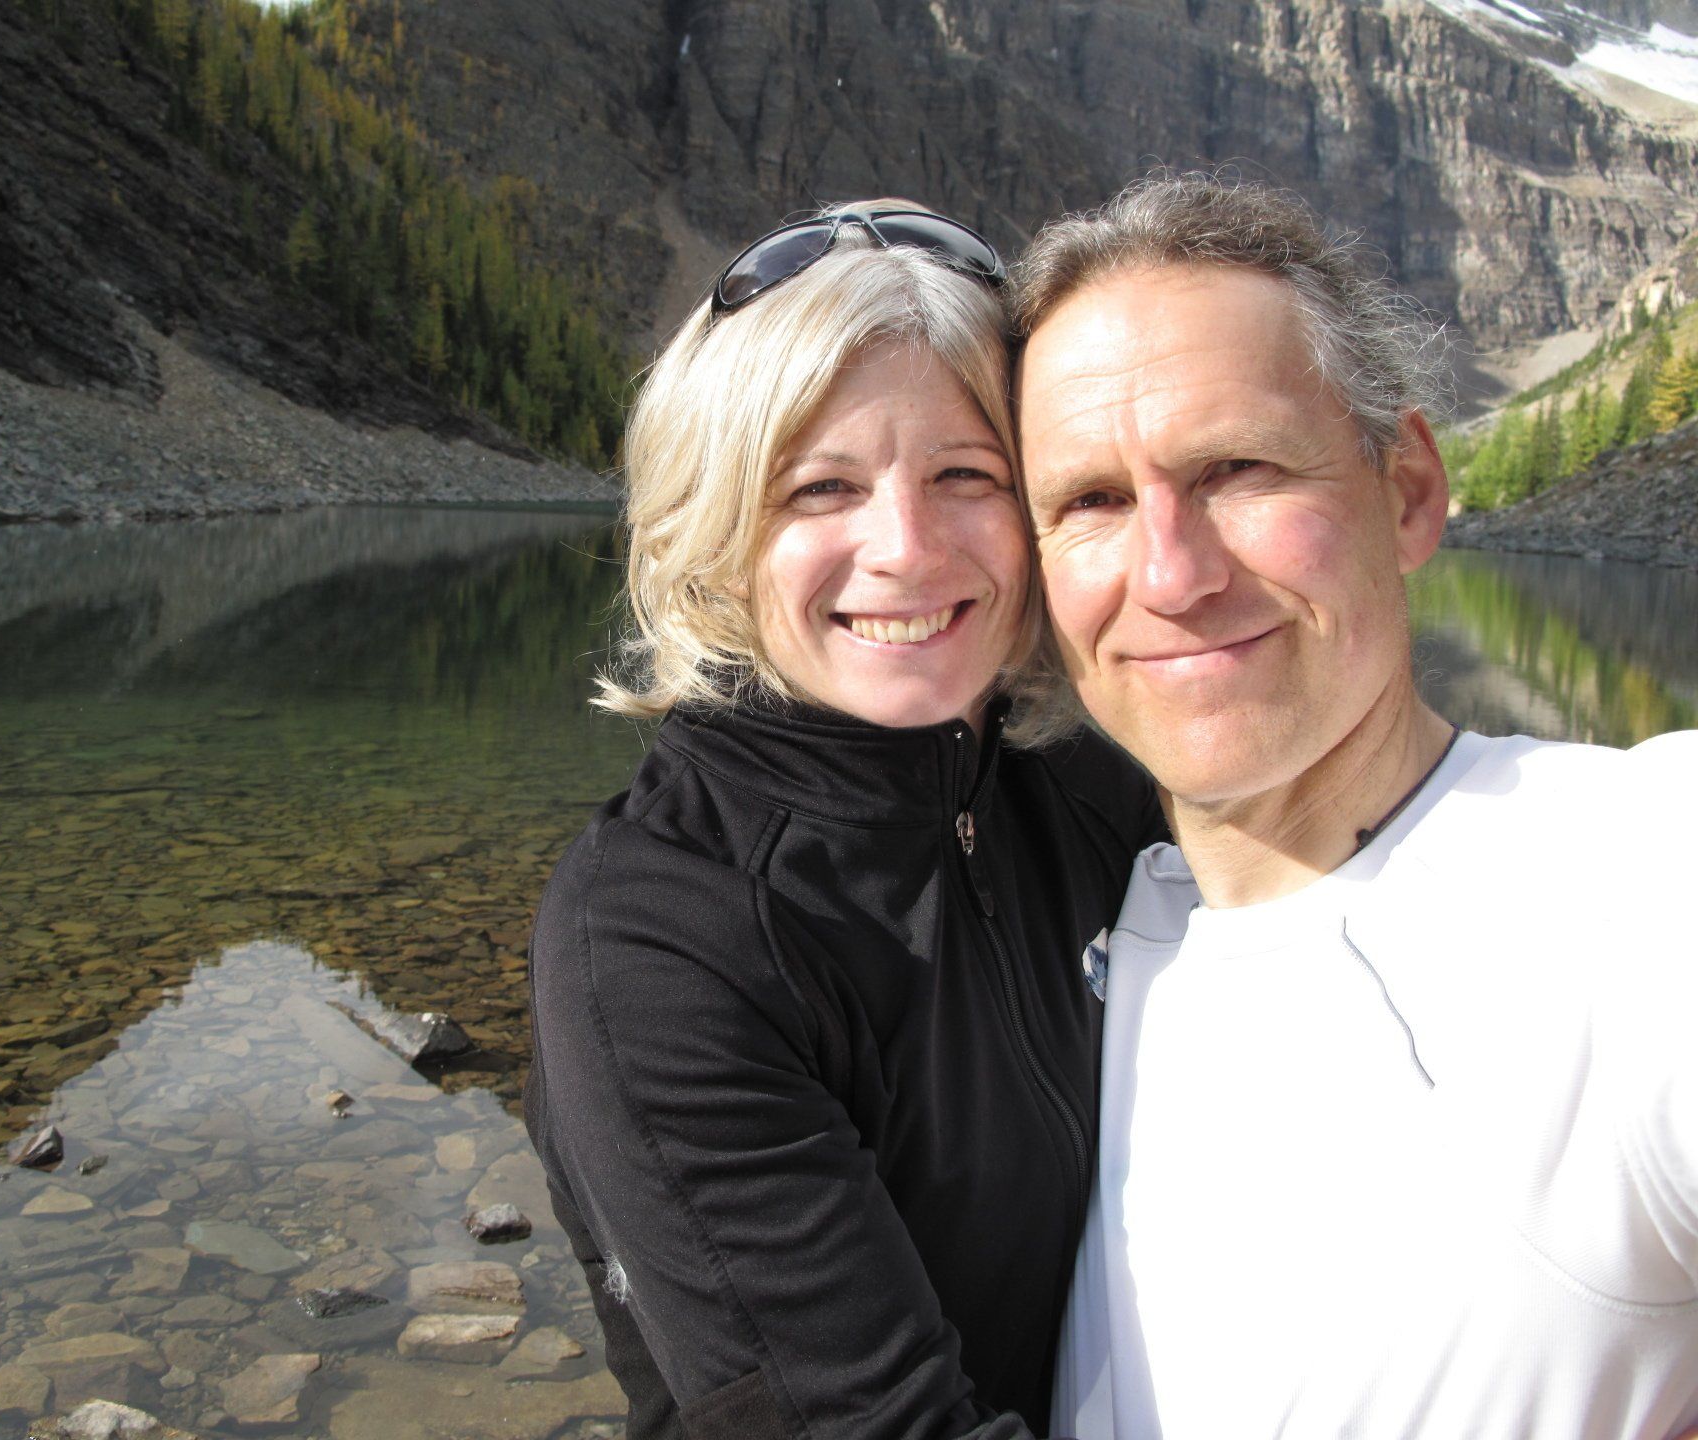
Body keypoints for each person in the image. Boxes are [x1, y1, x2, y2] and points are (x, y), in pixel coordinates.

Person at [1012, 173, 1698, 1438]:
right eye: (1092, 502)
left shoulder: (1637, 874)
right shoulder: (1071, 931)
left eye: (1237, 468)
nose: (1170, 574)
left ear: (1409, 494)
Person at [524, 201, 1163, 1440]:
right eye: (821, 487)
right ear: (717, 532)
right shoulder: (655, 941)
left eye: (965, 475)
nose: (907, 549)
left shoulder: (1094, 778)